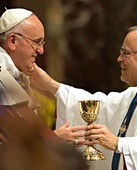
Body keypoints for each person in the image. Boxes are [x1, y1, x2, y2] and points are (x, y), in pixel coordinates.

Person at [30, 23, 137, 170]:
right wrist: (50, 85)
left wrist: (117, 143)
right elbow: (102, 107)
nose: (119, 59)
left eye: (125, 53)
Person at [0, 8, 85, 146]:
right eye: (36, 42)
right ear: (13, 41)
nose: (41, 50)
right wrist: (52, 139)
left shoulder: (13, 75)